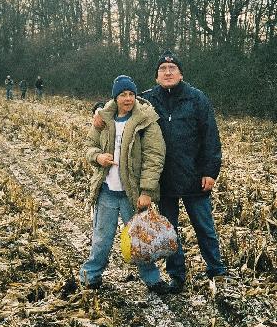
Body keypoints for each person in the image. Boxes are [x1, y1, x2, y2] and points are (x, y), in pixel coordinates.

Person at [93, 51, 226, 293]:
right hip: (164, 181)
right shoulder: (146, 101)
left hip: (195, 177)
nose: (167, 72)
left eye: (172, 68)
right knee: (168, 232)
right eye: (162, 69)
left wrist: (211, 171)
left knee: (204, 227)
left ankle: (216, 271)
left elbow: (211, 138)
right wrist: (98, 110)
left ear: (180, 73)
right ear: (156, 76)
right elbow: (120, 102)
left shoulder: (197, 99)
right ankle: (177, 275)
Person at [80, 75, 170, 294]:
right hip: (107, 193)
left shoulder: (146, 120)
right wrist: (98, 157)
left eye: (131, 94)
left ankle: (152, 279)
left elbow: (155, 156)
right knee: (102, 238)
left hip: (133, 193)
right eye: (123, 94)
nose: (128, 98)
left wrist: (147, 191)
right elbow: (88, 146)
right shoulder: (104, 119)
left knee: (141, 238)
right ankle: (90, 276)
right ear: (115, 97)